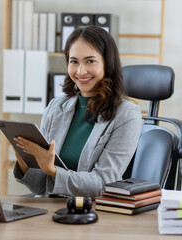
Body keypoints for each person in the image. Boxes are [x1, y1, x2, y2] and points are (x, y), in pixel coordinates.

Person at [13, 26, 142, 198]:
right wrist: (24, 161)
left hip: (91, 213)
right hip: (51, 213)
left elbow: (103, 183)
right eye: (74, 62)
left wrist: (53, 171)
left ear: (107, 63)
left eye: (90, 61)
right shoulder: (55, 107)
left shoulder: (127, 115)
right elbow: (41, 187)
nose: (80, 71)